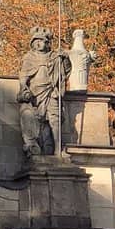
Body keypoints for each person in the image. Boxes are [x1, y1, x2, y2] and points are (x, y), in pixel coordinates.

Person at [17, 27, 71, 156]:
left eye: (42, 41)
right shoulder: (29, 57)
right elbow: (23, 75)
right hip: (36, 93)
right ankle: (37, 147)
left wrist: (65, 58)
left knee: (55, 119)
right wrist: (24, 86)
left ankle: (59, 149)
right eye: (37, 41)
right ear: (33, 44)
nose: (39, 43)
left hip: (52, 91)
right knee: (38, 121)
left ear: (47, 43)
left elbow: (67, 71)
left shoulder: (54, 56)